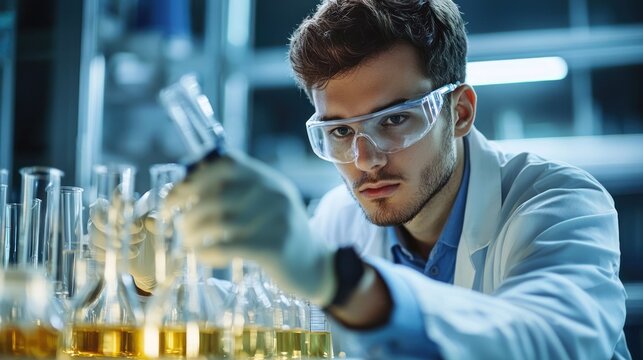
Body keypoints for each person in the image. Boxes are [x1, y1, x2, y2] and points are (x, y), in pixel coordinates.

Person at [164, 0, 631, 358]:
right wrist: (153, 280)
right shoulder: (339, 217)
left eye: (393, 121)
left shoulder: (560, 203)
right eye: (341, 131)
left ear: (461, 112)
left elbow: (551, 339)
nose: (364, 160)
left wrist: (339, 280)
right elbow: (267, 318)